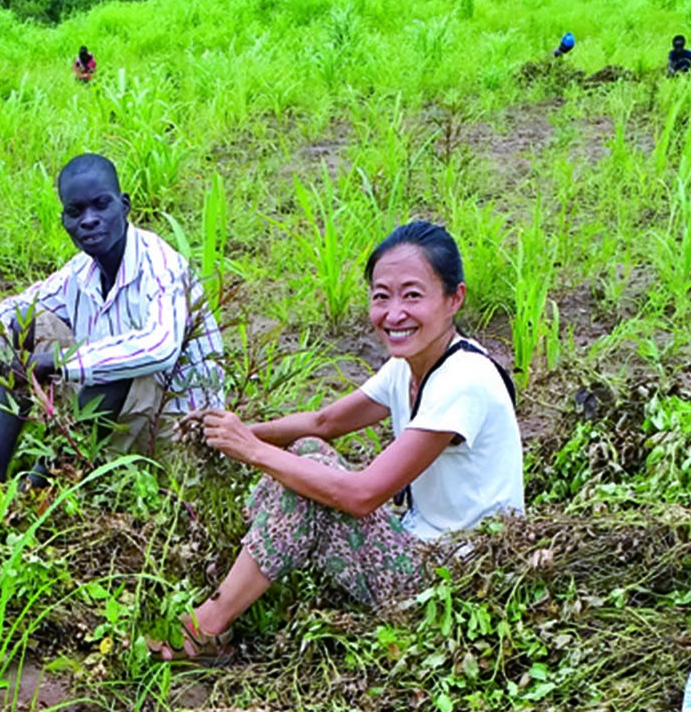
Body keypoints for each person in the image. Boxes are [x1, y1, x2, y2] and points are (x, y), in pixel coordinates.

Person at [148, 221, 524, 662]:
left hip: (456, 581)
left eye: (413, 295)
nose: (394, 313)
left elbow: (362, 495)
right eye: (381, 296)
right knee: (308, 454)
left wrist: (250, 450)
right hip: (417, 542)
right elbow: (323, 422)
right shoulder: (411, 363)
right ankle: (230, 584)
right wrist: (238, 431)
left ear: (453, 299)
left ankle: (205, 629)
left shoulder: (464, 380)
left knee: (306, 491)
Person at [0, 153, 224, 504]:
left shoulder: (160, 266)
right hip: (113, 415)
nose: (89, 220)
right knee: (20, 326)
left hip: (177, 429)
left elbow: (160, 346)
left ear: (124, 206)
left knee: (117, 363)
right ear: (65, 221)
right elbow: (6, 311)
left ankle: (46, 478)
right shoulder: (79, 273)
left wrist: (56, 363)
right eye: (76, 212)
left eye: (101, 205)